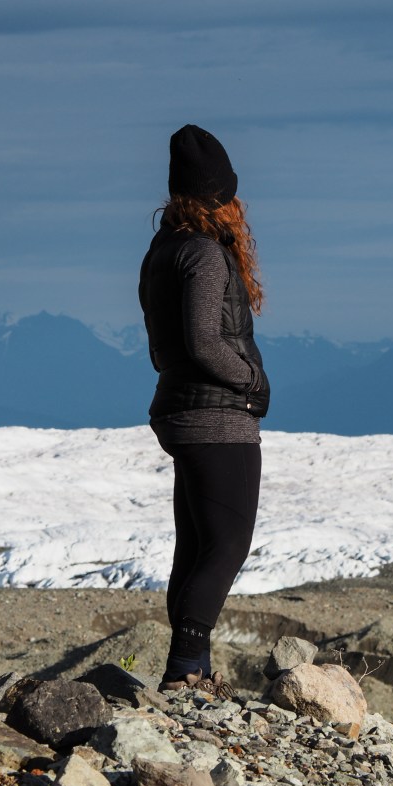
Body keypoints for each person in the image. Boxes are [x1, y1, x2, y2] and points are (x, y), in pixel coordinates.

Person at [139, 124, 270, 696]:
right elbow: (203, 342)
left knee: (194, 544)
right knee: (226, 544)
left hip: (177, 410)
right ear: (220, 196)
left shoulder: (161, 251)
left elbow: (165, 344)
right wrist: (249, 382)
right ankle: (185, 668)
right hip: (216, 416)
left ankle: (195, 669)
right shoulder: (204, 254)